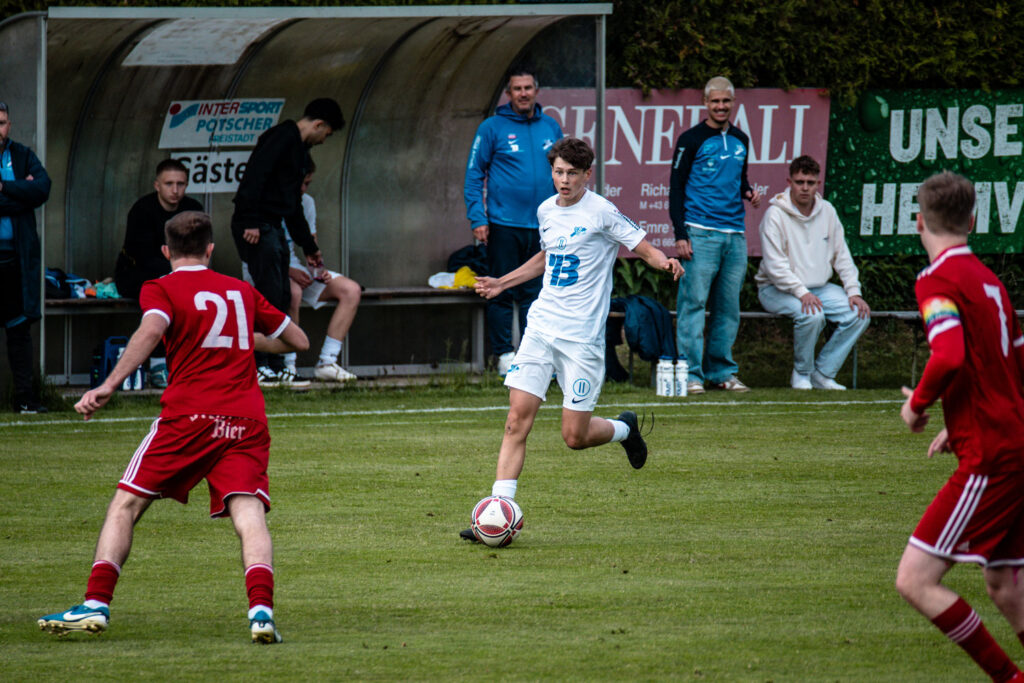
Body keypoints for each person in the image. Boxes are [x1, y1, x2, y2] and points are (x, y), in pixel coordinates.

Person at [38, 211, 308, 644]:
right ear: (210, 249)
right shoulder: (240, 291)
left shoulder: (161, 287)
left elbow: (150, 330)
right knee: (249, 513)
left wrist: (109, 383)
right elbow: (298, 341)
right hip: (245, 419)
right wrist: (242, 338)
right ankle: (261, 612)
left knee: (126, 505)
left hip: (189, 417)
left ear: (166, 251)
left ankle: (95, 603)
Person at [460, 138, 683, 542]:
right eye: (558, 172)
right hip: (541, 328)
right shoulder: (546, 210)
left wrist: (664, 261)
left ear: (587, 175)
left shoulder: (601, 211)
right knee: (515, 421)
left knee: (574, 437)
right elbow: (547, 257)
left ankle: (624, 429)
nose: (564, 180)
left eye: (572, 174)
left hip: (581, 340)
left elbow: (642, 247)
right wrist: (502, 282)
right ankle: (497, 512)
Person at [896, 171, 1024, 682]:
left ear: (919, 222)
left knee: (915, 579)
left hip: (992, 453)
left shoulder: (937, 280)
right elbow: (1015, 362)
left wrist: (918, 405)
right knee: (1006, 584)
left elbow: (948, 354)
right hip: (1012, 439)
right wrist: (964, 416)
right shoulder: (991, 282)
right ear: (972, 221)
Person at [231, 97, 344, 387]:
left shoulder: (300, 151)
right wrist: (251, 220)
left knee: (281, 295)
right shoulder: (280, 137)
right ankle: (258, 365)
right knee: (267, 295)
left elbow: (292, 206)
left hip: (272, 227)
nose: (324, 140)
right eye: (327, 133)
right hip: (257, 227)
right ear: (318, 124)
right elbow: (253, 178)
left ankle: (277, 363)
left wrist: (310, 247)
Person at [464, 66, 563, 376]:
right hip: (504, 224)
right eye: (517, 89)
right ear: (508, 94)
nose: (523, 93)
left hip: (543, 226)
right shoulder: (491, 127)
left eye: (527, 88)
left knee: (538, 294)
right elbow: (474, 174)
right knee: (502, 289)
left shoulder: (551, 126)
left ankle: (533, 355)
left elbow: (564, 172)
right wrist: (477, 217)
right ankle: (505, 355)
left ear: (536, 91)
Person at [669, 76, 761, 395]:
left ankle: (722, 372)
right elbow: (676, 187)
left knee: (728, 308)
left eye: (726, 101)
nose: (721, 106)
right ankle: (691, 375)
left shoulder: (741, 139)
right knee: (693, 304)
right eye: (715, 101)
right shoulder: (690, 139)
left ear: (733, 103)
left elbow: (741, 179)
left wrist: (748, 192)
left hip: (735, 234)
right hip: (700, 232)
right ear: (705, 103)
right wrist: (681, 234)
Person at [754, 155, 870, 390]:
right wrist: (801, 292)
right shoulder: (774, 215)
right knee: (812, 314)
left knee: (859, 314)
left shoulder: (827, 211)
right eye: (799, 182)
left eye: (810, 182)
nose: (805, 188)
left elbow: (842, 255)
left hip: (819, 288)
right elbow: (776, 267)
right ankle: (802, 373)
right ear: (789, 182)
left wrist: (853, 291)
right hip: (774, 289)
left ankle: (823, 373)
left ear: (818, 183)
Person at [247, 161, 360, 381]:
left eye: (307, 183)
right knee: (294, 293)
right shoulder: (263, 201)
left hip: (295, 268)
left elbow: (311, 245)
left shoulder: (306, 202)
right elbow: (258, 254)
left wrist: (318, 271)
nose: (302, 189)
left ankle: (327, 362)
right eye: (300, 182)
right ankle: (288, 365)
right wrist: (290, 271)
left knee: (351, 290)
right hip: (266, 269)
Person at [115, 158, 204, 388]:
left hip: (181, 273)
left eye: (180, 184)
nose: (175, 190)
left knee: (201, 297)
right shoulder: (142, 210)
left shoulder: (193, 209)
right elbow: (143, 257)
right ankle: (158, 363)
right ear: (157, 185)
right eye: (169, 184)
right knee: (165, 298)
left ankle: (193, 361)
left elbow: (201, 249)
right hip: (138, 274)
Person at [0, 101, 51, 413]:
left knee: (19, 331)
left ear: (9, 125)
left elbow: (43, 189)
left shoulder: (22, 155)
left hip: (17, 260)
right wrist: (21, 195)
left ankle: (25, 398)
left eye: (2, 123)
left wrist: (4, 186)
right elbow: (30, 196)